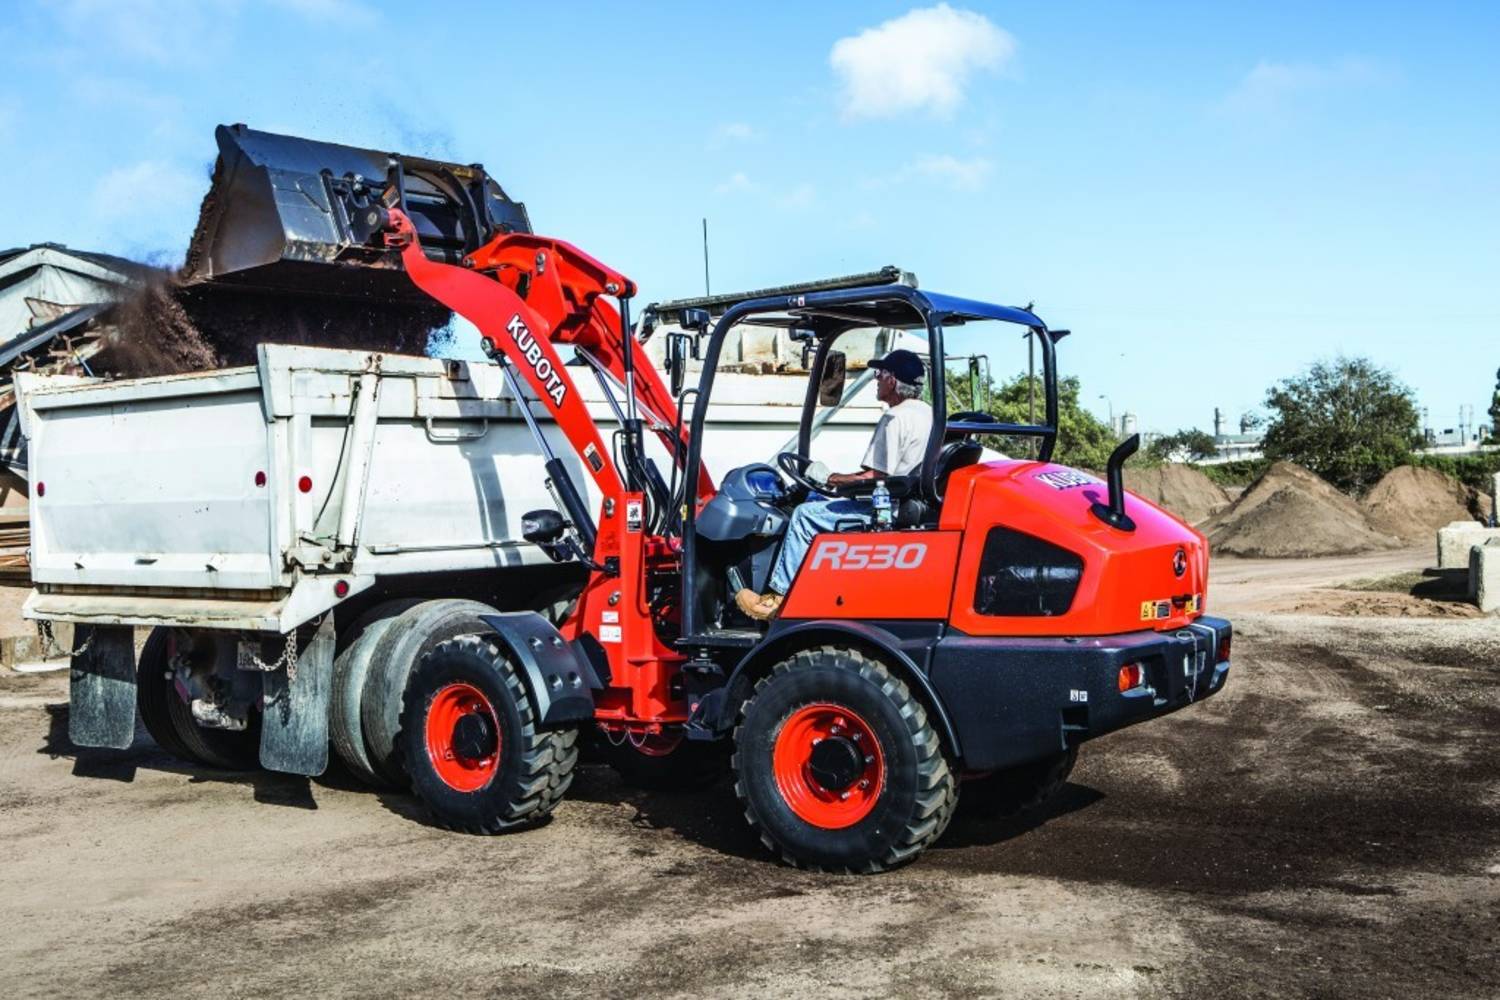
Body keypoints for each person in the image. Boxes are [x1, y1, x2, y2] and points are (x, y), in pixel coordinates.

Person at [734, 348, 933, 621]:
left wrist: (829, 478)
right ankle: (809, 590)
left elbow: (874, 479)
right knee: (817, 503)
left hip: (886, 507)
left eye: (880, 373)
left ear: (892, 379)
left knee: (804, 516)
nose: (876, 378)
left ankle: (777, 599)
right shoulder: (928, 414)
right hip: (907, 503)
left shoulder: (895, 417)